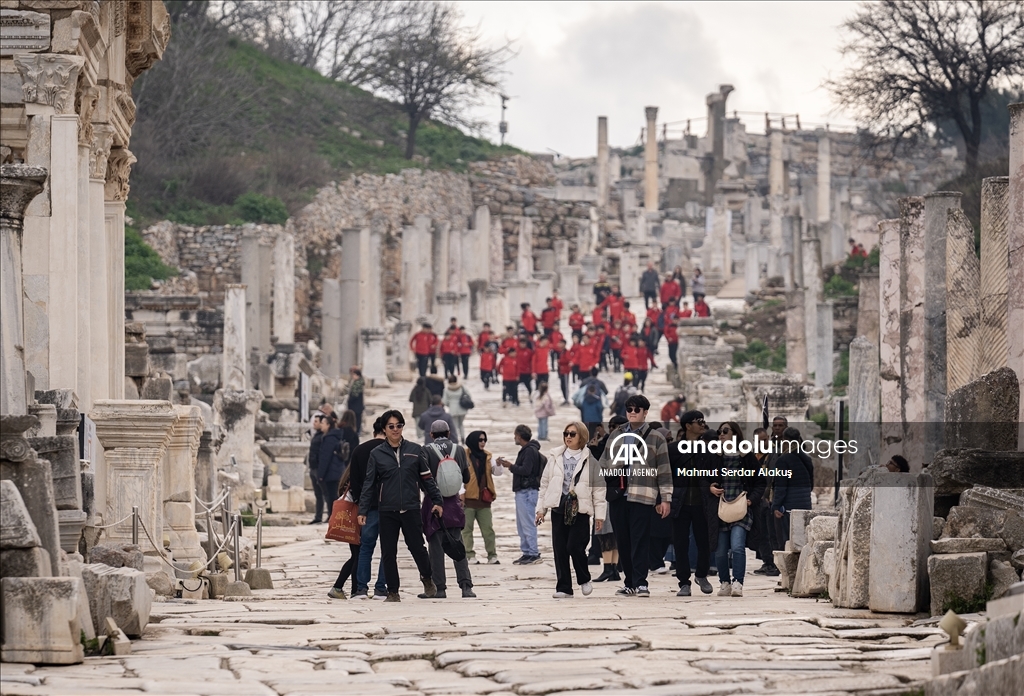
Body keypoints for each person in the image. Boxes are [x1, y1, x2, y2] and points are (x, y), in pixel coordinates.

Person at [357, 410, 443, 602]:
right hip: (387, 509)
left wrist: (437, 501)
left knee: (417, 548)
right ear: (384, 430)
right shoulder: (376, 454)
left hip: (411, 507)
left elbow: (427, 479)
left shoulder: (415, 450)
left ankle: (427, 578)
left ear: (403, 427)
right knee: (388, 551)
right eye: (391, 426)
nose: (395, 429)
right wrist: (363, 510)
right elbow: (369, 484)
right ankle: (393, 591)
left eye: (399, 425)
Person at [598, 395, 673, 597]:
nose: (632, 412)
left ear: (645, 412)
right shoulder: (616, 435)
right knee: (623, 540)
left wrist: (665, 499)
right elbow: (604, 464)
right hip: (619, 495)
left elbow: (664, 471)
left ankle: (641, 583)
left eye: (636, 409)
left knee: (640, 539)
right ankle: (629, 582)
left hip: (643, 494)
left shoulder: (656, 438)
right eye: (629, 409)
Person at [536, 422, 605, 598]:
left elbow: (598, 490)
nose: (568, 436)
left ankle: (584, 578)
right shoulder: (555, 457)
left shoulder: (591, 461)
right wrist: (541, 509)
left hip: (580, 509)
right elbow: (544, 484)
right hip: (559, 507)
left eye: (572, 434)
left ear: (581, 437)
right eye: (566, 433)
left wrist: (600, 515)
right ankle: (564, 588)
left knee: (575, 546)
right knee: (560, 549)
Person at [709, 422, 765, 598]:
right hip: (721, 507)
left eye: (725, 431)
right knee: (720, 550)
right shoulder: (716, 456)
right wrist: (711, 487)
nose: (721, 435)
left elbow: (760, 482)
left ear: (735, 434)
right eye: (720, 432)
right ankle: (724, 582)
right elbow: (704, 478)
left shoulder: (746, 455)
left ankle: (738, 582)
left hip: (741, 507)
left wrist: (750, 500)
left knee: (738, 546)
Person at [422, 421, 476, 598]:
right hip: (453, 504)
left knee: (436, 547)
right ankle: (466, 586)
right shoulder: (459, 450)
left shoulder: (427, 450)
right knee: (457, 544)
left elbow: (422, 479)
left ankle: (440, 588)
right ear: (449, 432)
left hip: (434, 503)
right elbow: (466, 478)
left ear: (431, 435)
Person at [669, 410, 714, 596]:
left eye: (703, 421)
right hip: (680, 502)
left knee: (704, 542)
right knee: (680, 544)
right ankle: (683, 582)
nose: (702, 425)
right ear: (688, 426)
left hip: (702, 502)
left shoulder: (708, 449)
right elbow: (664, 476)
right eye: (699, 421)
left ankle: (702, 574)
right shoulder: (673, 449)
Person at [348, 417, 388, 600]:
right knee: (387, 548)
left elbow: (354, 481)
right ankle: (381, 588)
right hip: (389, 506)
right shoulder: (392, 450)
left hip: (368, 506)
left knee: (366, 548)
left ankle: (361, 589)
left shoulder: (360, 450)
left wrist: (359, 502)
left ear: (374, 432)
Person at [497, 425, 543, 564]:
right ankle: (527, 552)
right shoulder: (526, 450)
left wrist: (510, 466)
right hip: (523, 492)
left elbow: (526, 470)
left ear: (519, 436)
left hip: (527, 492)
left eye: (515, 435)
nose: (514, 438)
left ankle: (533, 553)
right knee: (521, 524)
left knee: (528, 523)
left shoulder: (529, 451)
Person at [591, 414, 625, 582]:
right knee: (611, 532)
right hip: (615, 494)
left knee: (605, 532)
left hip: (608, 494)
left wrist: (596, 449)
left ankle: (609, 568)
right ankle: (612, 569)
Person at [771, 427, 814, 550]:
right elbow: (811, 485)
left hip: (787, 509)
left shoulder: (783, 461)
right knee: (801, 543)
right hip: (805, 505)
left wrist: (776, 506)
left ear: (785, 441)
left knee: (786, 543)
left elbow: (781, 486)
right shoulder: (807, 459)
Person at [463, 431, 499, 565]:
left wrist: (499, 465)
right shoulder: (464, 456)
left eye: (484, 440)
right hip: (468, 500)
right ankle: (469, 555)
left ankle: (492, 555)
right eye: (480, 440)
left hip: (484, 501)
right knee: (467, 530)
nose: (483, 442)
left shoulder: (488, 456)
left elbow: (497, 472)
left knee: (488, 530)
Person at [750, 427, 780, 577]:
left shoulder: (775, 454)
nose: (763, 443)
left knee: (770, 533)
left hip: (768, 499)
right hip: (756, 499)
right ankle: (766, 561)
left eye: (765, 440)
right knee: (760, 533)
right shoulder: (753, 456)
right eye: (759, 441)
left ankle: (773, 563)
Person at [318, 411, 358, 516]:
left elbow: (325, 457)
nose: (320, 425)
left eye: (323, 423)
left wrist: (320, 475)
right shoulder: (348, 434)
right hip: (344, 468)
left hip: (333, 471)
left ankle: (334, 517)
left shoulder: (331, 437)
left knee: (331, 497)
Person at [307, 411, 328, 524]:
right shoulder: (316, 435)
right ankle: (318, 516)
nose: (314, 423)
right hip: (313, 468)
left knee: (325, 494)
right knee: (318, 495)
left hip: (319, 469)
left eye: (316, 421)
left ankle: (329, 515)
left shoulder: (323, 437)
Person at [442, 375, 471, 443]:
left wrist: (450, 404)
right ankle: (463, 437)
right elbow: (468, 394)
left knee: (454, 426)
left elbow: (444, 401)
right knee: (461, 424)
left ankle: (456, 439)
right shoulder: (461, 387)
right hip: (462, 408)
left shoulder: (446, 389)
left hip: (453, 409)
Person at [346, 368, 365, 435]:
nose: (352, 376)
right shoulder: (357, 382)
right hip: (356, 405)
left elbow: (355, 395)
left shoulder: (358, 384)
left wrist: (350, 400)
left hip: (356, 405)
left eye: (354, 375)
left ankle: (356, 432)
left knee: (356, 419)